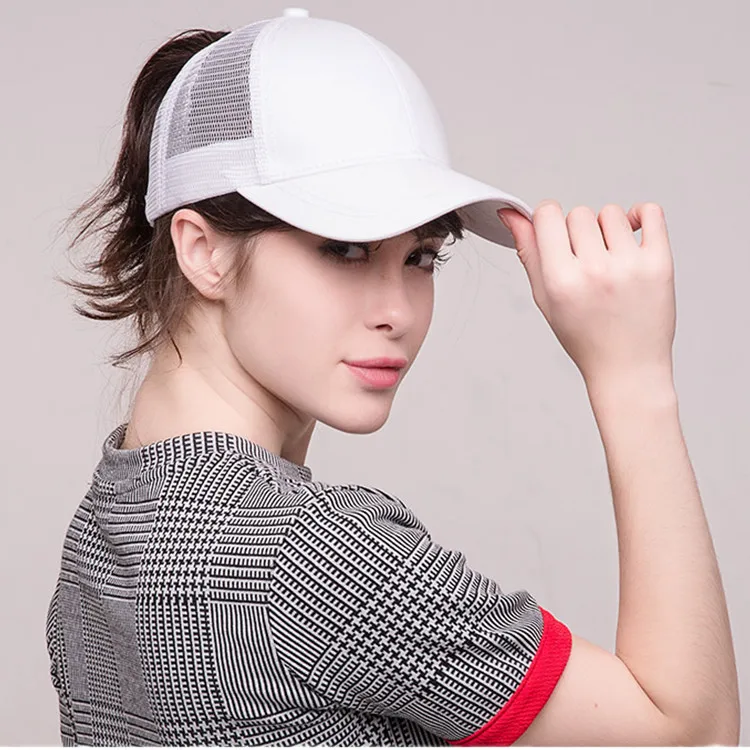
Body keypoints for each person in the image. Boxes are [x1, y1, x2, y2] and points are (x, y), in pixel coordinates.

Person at [45, 8, 740, 748]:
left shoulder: (104, 525)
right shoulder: (312, 559)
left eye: (421, 257)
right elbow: (693, 737)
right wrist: (632, 376)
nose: (398, 311)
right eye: (344, 249)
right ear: (203, 251)